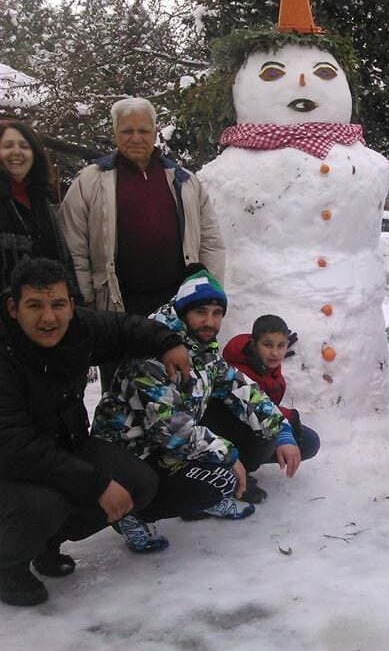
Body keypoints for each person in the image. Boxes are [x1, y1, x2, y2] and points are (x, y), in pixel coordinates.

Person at [0, 258, 189, 606]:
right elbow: (15, 448)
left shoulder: (78, 327)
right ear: (13, 307)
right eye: (34, 306)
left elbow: (125, 328)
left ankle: (46, 544)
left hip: (66, 443)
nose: (48, 318)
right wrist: (95, 484)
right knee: (44, 505)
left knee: (140, 482)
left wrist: (168, 342)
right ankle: (8, 564)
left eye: (58, 304)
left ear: (71, 306)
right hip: (11, 467)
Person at [92, 266, 297, 545]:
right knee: (221, 476)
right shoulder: (151, 354)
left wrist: (282, 432)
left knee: (265, 435)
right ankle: (132, 514)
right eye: (201, 312)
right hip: (131, 454)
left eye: (217, 314)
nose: (209, 322)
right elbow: (169, 428)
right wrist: (228, 454)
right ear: (183, 312)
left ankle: (203, 496)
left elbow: (242, 390)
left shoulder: (203, 350)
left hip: (167, 448)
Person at [59, 97, 225, 318]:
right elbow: (73, 245)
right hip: (118, 302)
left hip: (178, 300)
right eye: (127, 131)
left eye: (143, 131)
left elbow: (210, 240)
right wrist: (86, 298)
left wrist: (208, 291)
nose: (136, 138)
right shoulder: (90, 182)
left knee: (178, 353)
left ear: (155, 132)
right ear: (115, 132)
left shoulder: (184, 181)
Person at [223, 314, 320, 502]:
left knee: (307, 441)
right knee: (271, 436)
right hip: (233, 429)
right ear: (254, 344)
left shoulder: (263, 362)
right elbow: (253, 404)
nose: (275, 353)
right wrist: (287, 422)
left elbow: (268, 403)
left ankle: (242, 464)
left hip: (257, 421)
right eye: (268, 345)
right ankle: (231, 476)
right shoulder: (241, 370)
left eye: (281, 345)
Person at [0, 120, 76, 291]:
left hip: (49, 309)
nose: (17, 151)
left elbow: (63, 261)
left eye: (25, 146)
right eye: (7, 146)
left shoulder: (41, 202)